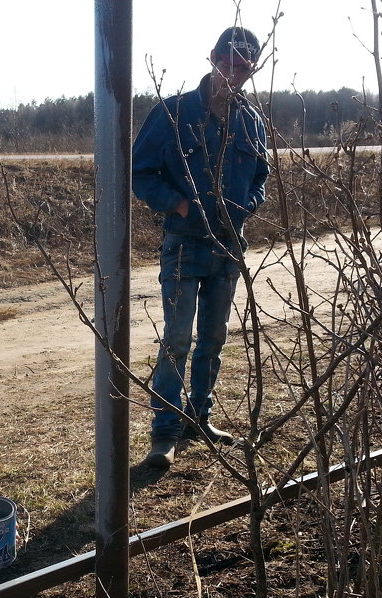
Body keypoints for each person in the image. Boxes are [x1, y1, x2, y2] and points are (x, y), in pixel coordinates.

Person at [132, 26, 270, 468]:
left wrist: (247, 205)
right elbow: (140, 172)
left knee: (213, 337)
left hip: (229, 248)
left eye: (243, 66)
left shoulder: (251, 121)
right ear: (212, 57)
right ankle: (165, 431)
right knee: (177, 339)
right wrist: (180, 206)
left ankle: (199, 417)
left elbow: (262, 179)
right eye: (228, 62)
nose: (234, 72)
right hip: (185, 245)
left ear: (252, 69)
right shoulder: (174, 113)